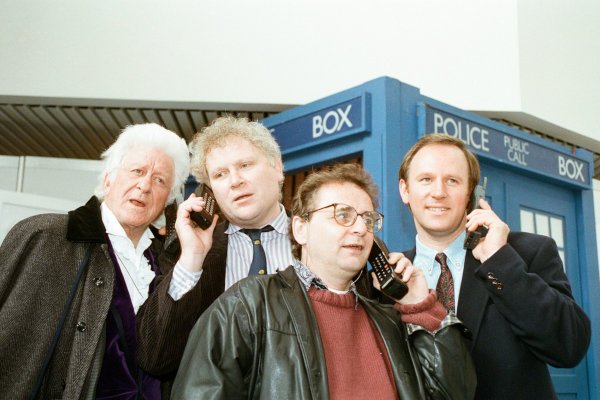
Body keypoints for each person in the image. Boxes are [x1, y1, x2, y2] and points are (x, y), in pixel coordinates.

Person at [171, 163, 476, 399]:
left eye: (368, 219)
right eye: (342, 215)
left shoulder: (389, 320)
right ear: (301, 229)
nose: (360, 228)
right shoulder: (247, 305)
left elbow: (458, 392)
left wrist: (420, 308)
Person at [0, 123, 189, 399]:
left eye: (160, 180)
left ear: (168, 200)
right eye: (137, 171)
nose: (145, 185)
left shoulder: (167, 263)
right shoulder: (46, 237)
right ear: (109, 179)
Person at [397, 133, 591, 399]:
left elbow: (569, 346)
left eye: (452, 180)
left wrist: (499, 261)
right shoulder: (392, 277)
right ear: (405, 190)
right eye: (426, 179)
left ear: (470, 194)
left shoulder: (525, 253)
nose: (439, 192)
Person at [136, 116, 295, 380]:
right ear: (209, 190)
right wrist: (192, 259)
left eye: (245, 165)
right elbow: (155, 357)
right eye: (220, 174)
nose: (235, 181)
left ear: (277, 168)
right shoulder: (185, 253)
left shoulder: (322, 238)